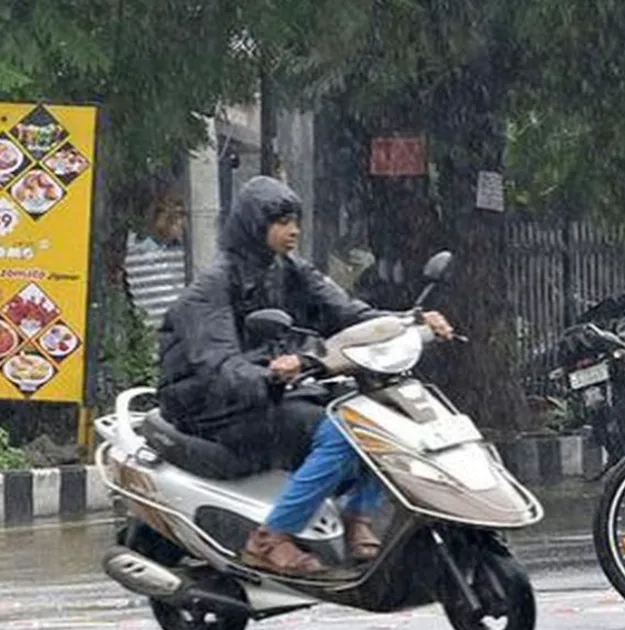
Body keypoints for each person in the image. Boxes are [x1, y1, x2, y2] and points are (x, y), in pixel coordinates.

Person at [157, 175, 454, 576]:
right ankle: (269, 538)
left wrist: (409, 322)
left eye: (295, 220)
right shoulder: (212, 287)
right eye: (281, 221)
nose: (293, 230)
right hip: (212, 408)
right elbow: (220, 367)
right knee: (345, 432)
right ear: (253, 226)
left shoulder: (288, 269)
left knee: (381, 416)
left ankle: (357, 517)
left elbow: (349, 313)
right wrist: (270, 375)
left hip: (269, 393)